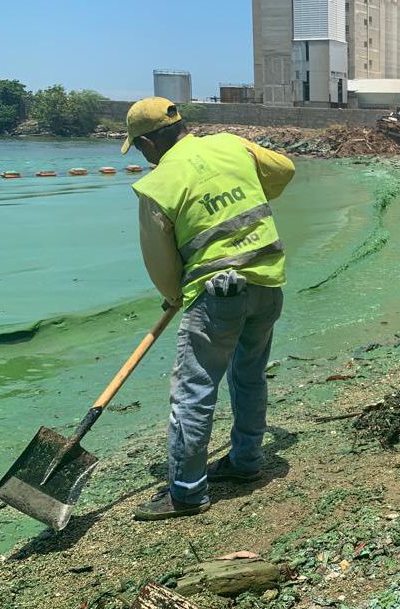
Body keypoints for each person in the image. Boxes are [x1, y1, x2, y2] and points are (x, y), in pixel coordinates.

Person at [121, 97, 296, 520]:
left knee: (194, 390)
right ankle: (246, 462)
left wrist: (175, 295)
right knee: (249, 375)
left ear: (148, 142)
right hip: (268, 282)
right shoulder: (232, 145)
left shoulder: (157, 186)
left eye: (139, 148)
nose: (143, 156)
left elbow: (160, 263)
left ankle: (185, 492)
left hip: (217, 296)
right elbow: (284, 169)